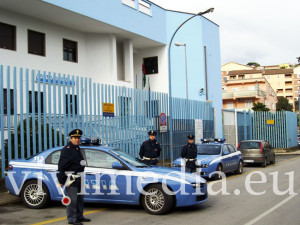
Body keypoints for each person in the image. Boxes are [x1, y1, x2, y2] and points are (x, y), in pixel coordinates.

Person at [57, 129, 91, 225]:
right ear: (71, 138)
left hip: (79, 176)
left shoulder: (77, 148)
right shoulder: (67, 150)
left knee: (80, 198)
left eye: (78, 138)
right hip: (71, 177)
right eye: (75, 138)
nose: (77, 140)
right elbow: (61, 166)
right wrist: (61, 180)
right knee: (72, 199)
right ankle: (72, 218)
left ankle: (79, 216)